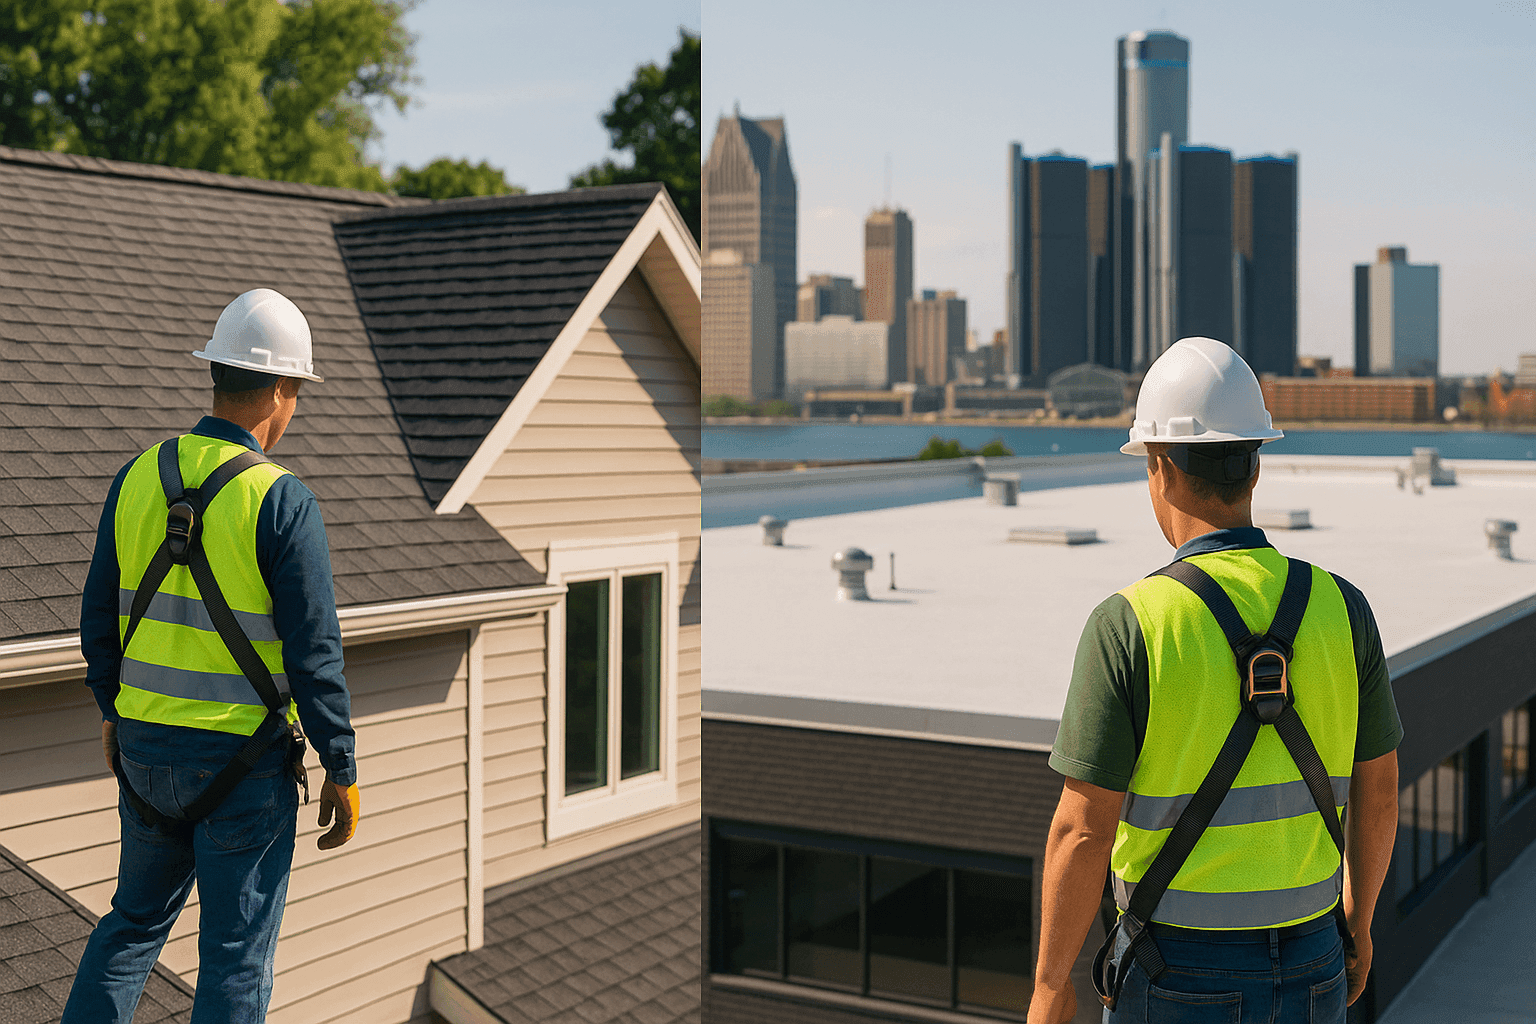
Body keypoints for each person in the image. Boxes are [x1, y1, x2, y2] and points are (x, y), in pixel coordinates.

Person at [1027, 337, 1401, 1024]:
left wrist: (1051, 986)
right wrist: (1358, 921)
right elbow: (1378, 793)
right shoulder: (1344, 609)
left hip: (1175, 970)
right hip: (1319, 957)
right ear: (1254, 468)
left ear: (1159, 467)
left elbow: (1082, 831)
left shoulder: (1131, 623)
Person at [64, 288, 362, 1023]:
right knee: (234, 958)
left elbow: (98, 617)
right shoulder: (280, 499)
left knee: (130, 927)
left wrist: (112, 710)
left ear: (218, 374)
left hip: (143, 754)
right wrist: (342, 765)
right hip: (241, 769)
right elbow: (315, 654)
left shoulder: (137, 475)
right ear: (283, 390)